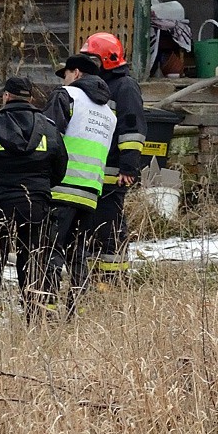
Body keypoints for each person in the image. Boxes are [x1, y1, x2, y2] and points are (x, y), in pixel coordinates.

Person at [0, 77, 68, 334]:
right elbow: (60, 168)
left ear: (6, 96)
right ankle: (36, 327)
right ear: (30, 98)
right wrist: (40, 189)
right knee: (34, 267)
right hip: (36, 207)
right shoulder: (48, 128)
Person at [43, 54, 116, 316]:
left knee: (49, 250)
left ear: (75, 73)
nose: (64, 80)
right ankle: (77, 312)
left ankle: (46, 308)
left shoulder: (66, 96)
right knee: (78, 254)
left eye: (65, 74)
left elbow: (47, 137)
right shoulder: (109, 112)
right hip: (90, 193)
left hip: (60, 188)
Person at [79, 33, 148, 282]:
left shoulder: (125, 87)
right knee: (91, 226)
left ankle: (113, 279)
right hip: (94, 171)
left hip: (114, 173)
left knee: (109, 227)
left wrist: (128, 168)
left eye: (91, 59)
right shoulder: (98, 86)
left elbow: (132, 130)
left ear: (107, 60)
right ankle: (93, 276)